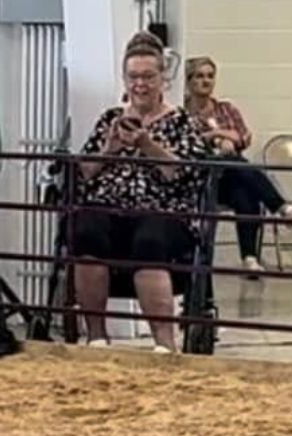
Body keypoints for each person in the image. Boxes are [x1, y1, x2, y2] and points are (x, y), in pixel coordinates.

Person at [70, 33, 209, 353]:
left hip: (163, 209)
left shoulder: (182, 122)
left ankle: (163, 344)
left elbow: (186, 171)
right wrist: (110, 148)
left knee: (150, 239)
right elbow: (84, 172)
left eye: (148, 76)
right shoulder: (110, 119)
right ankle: (96, 337)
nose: (140, 84)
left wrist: (148, 145)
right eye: (133, 77)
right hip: (109, 206)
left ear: (163, 79)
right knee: (87, 229)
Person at [181, 56, 292, 275]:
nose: (206, 81)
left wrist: (223, 136)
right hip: (201, 177)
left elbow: (243, 137)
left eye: (210, 76)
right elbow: (190, 143)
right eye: (200, 76)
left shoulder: (226, 109)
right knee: (236, 162)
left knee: (246, 193)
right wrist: (218, 135)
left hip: (230, 177)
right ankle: (281, 207)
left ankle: (249, 258)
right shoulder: (182, 113)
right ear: (189, 81)